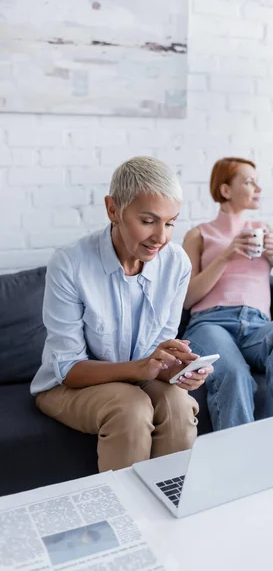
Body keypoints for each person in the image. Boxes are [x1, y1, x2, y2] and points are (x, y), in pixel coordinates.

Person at [31, 157, 213, 471]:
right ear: (113, 210)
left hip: (139, 378)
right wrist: (141, 368)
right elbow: (68, 368)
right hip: (67, 386)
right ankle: (125, 518)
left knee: (179, 404)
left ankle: (171, 507)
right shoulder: (70, 263)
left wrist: (177, 369)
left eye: (170, 223)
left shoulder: (176, 263)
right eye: (148, 220)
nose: (161, 236)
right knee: (130, 407)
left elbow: (159, 352)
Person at [182, 157, 273, 431]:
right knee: (235, 375)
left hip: (257, 328)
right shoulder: (199, 234)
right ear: (226, 190)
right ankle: (239, 464)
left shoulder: (263, 231)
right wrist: (227, 255)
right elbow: (187, 298)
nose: (258, 188)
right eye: (249, 181)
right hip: (210, 323)